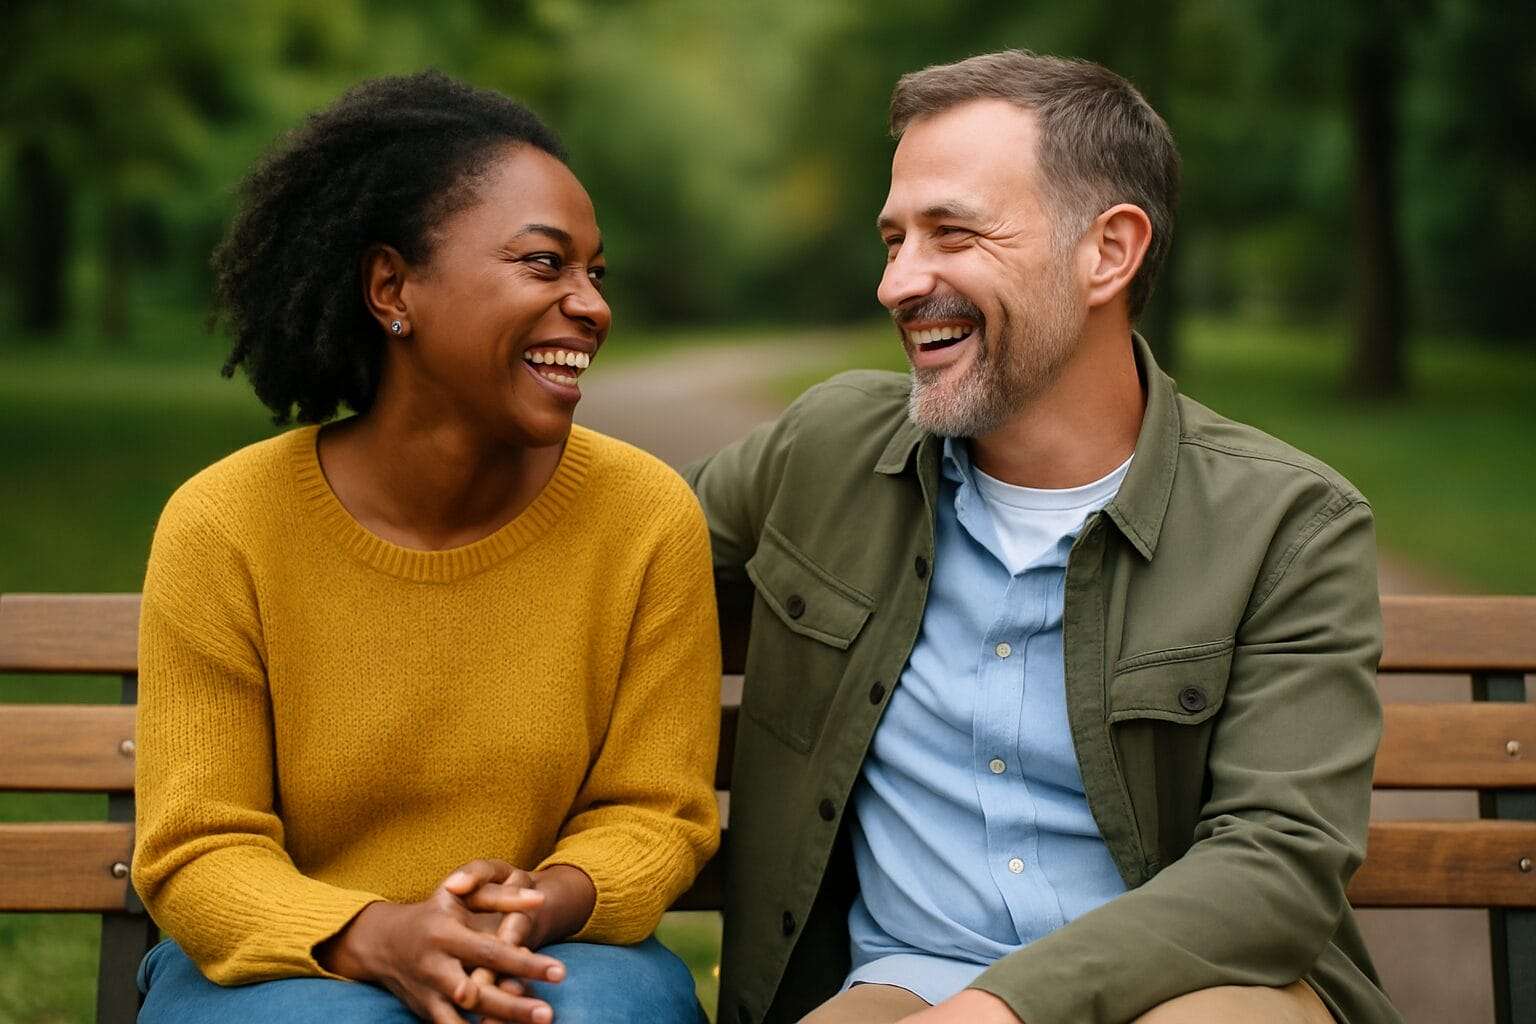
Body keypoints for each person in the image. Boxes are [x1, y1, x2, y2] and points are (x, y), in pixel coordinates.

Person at [686, 50, 1400, 1024]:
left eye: (953, 234)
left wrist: (1004, 1010)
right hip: (904, 978)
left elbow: (1274, 866)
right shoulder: (823, 452)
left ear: (1108, 250)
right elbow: (614, 568)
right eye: (894, 240)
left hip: (1195, 986)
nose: (901, 281)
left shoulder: (1287, 525)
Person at [132, 71, 719, 1024]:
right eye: (544, 264)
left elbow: (654, 811)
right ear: (391, 287)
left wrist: (535, 903)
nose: (591, 306)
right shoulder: (226, 524)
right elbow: (199, 847)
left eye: (595, 274)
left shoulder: (644, 517)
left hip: (552, 952)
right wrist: (380, 934)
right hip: (292, 964)